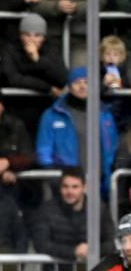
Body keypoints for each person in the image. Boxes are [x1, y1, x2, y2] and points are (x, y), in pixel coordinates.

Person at [36, 67, 118, 197]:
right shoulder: (52, 115)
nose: (82, 86)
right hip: (67, 186)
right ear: (69, 86)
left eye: (86, 82)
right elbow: (44, 149)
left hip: (99, 184)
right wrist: (56, 179)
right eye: (77, 82)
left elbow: (113, 146)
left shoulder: (105, 113)